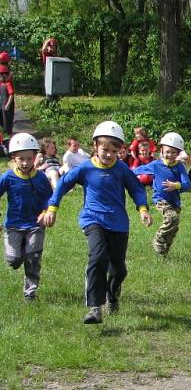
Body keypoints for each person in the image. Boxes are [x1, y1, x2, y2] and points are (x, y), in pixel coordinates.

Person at [41, 121, 153, 324]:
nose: (109, 154)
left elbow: (137, 189)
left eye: (114, 150)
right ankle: (95, 307)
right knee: (97, 256)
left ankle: (112, 293)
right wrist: (52, 208)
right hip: (92, 219)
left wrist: (143, 209)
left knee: (119, 269)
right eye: (105, 149)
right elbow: (63, 184)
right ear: (95, 146)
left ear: (120, 150)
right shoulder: (85, 169)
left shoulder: (121, 169)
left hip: (118, 223)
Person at [1, 133, 53, 300]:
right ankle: (21, 251)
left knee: (33, 259)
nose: (25, 163)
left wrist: (46, 212)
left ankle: (30, 293)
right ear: (13, 158)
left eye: (29, 159)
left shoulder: (40, 178)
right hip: (13, 225)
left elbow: (50, 198)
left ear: (34, 158)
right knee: (14, 261)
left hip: (35, 225)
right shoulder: (8, 177)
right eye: (21, 159)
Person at [132, 132, 191, 256]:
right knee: (172, 218)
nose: (170, 155)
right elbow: (138, 170)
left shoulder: (179, 167)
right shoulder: (156, 165)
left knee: (173, 228)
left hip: (174, 201)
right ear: (162, 150)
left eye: (173, 152)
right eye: (167, 152)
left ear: (178, 153)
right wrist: (123, 172)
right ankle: (158, 240)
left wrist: (177, 185)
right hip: (160, 199)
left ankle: (163, 252)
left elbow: (188, 185)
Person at [0, 64, 14, 138]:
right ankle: (3, 137)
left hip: (7, 107)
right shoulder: (1, 84)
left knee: (8, 124)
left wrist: (8, 104)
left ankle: (10, 138)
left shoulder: (8, 84)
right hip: (2, 106)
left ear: (4, 75)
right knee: (2, 123)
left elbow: (11, 95)